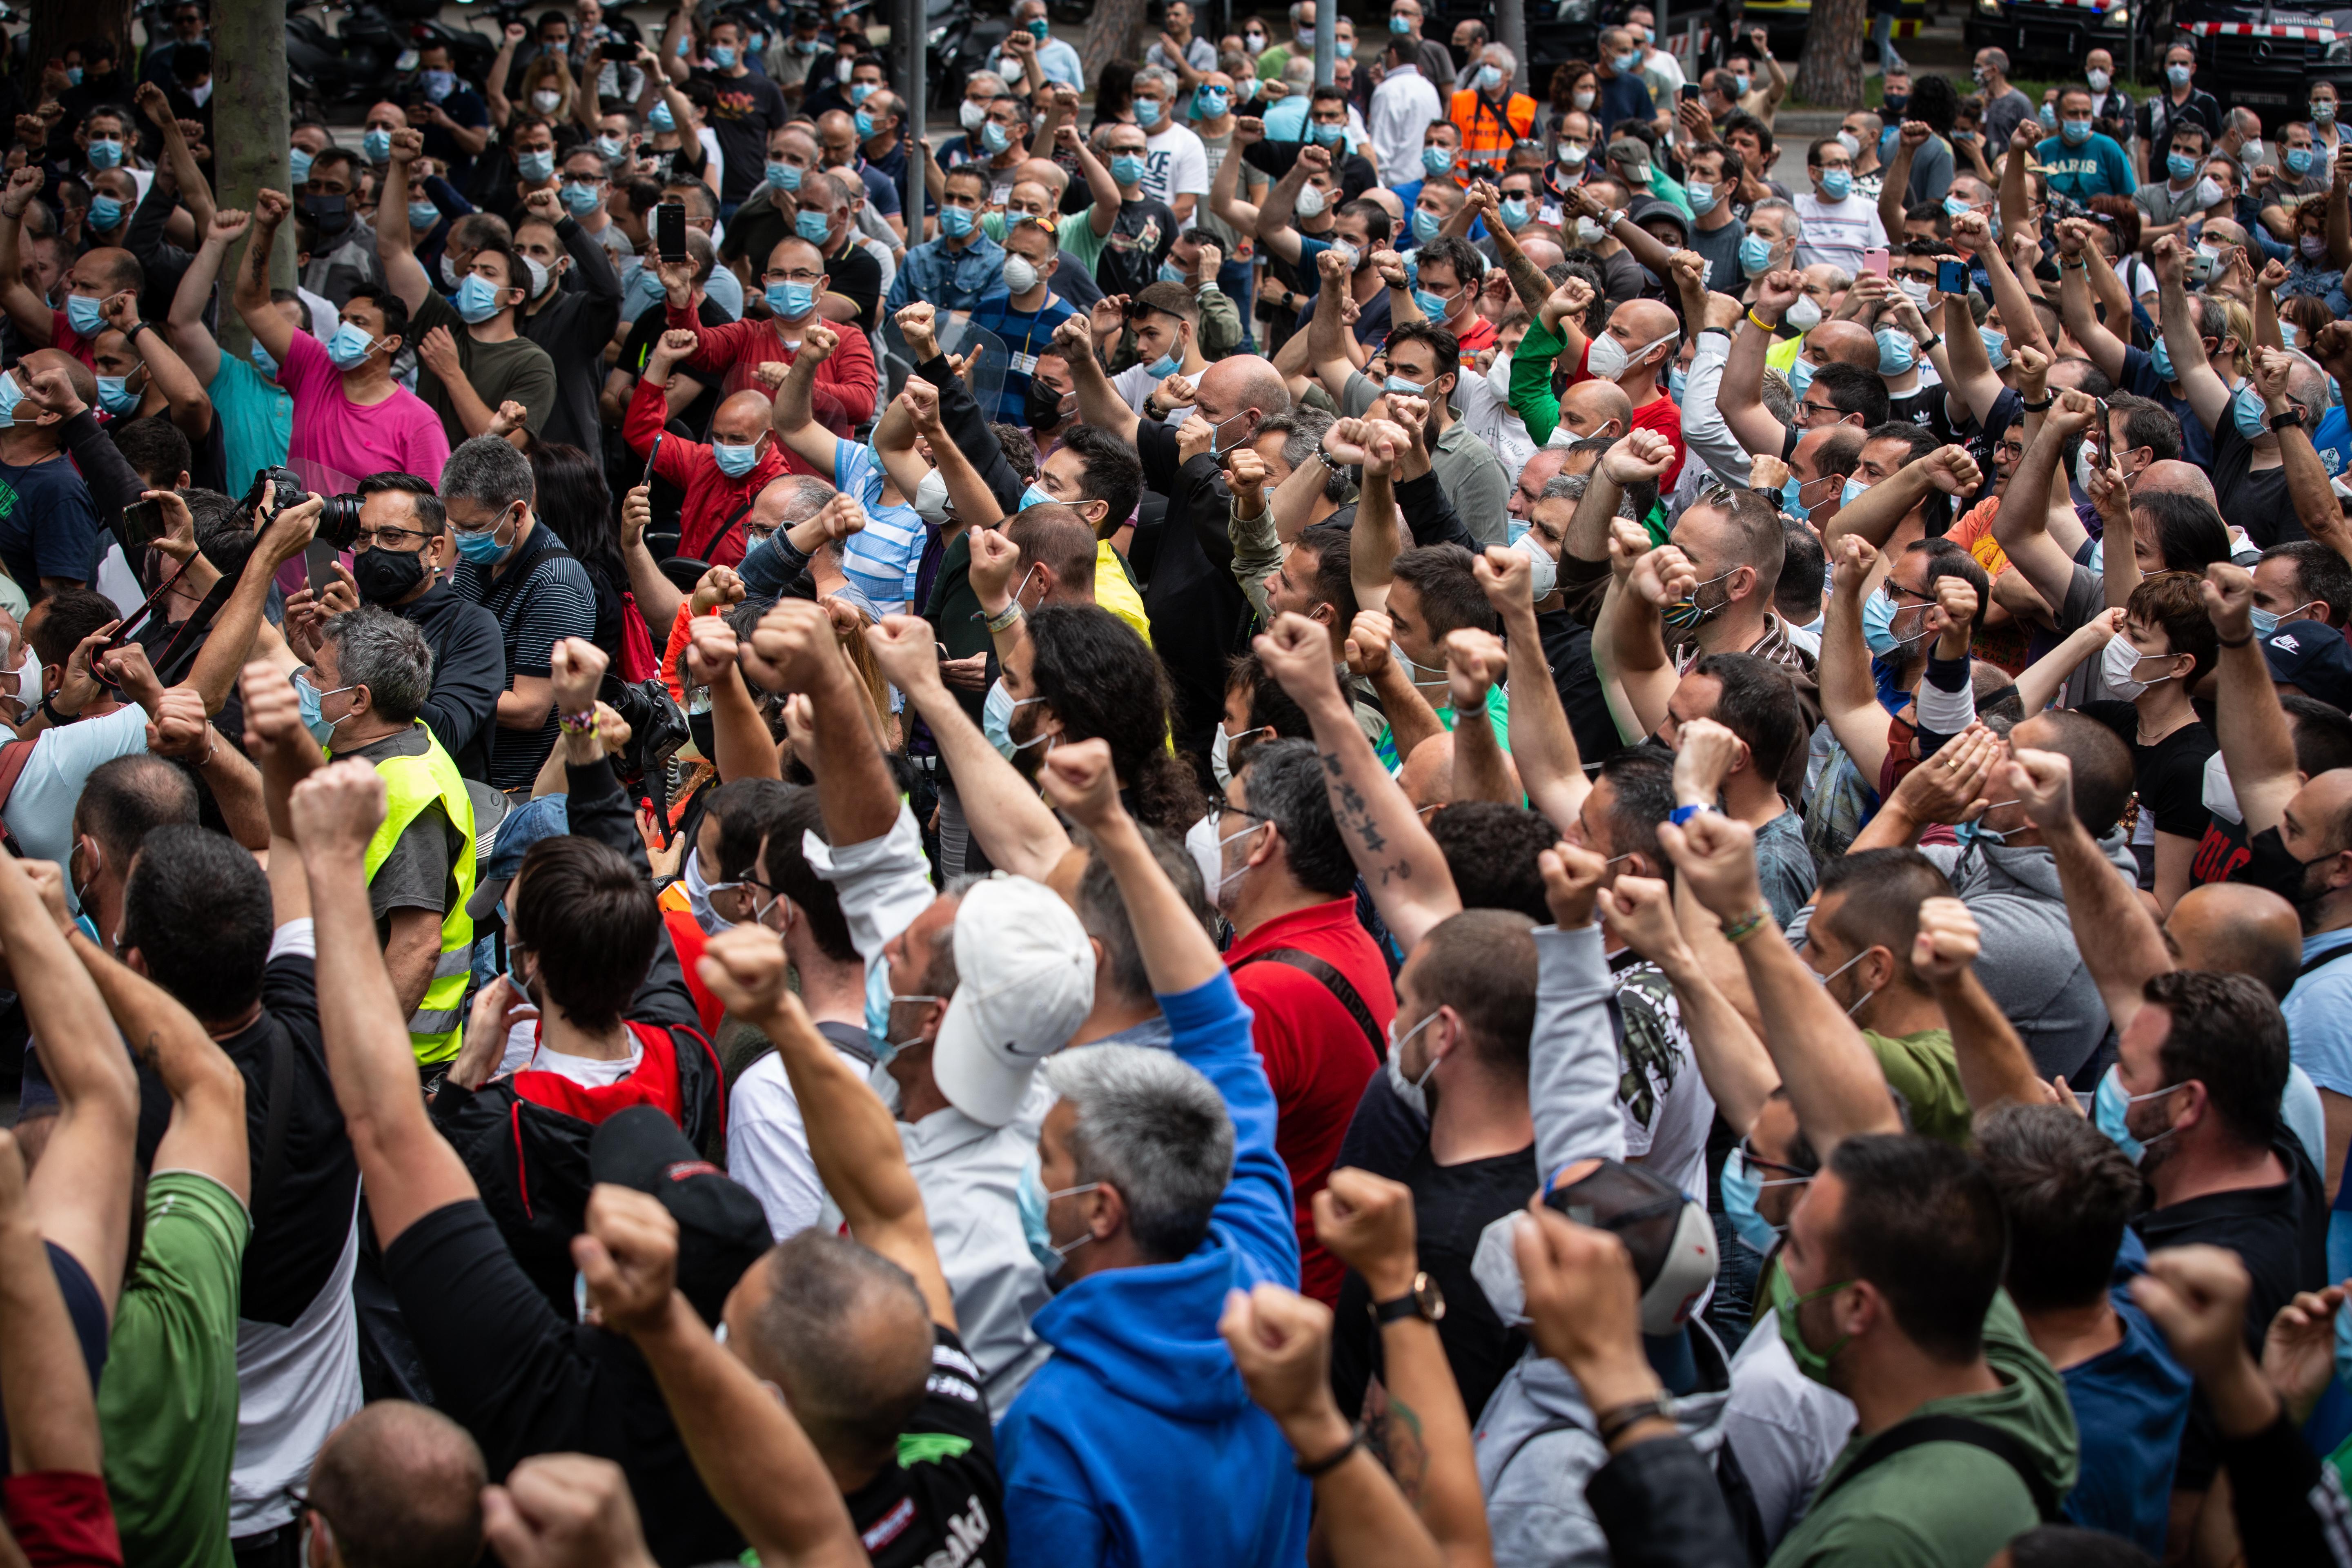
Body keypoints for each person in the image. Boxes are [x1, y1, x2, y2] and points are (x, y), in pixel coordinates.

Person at [994, 736, 1312, 1567]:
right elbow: (1215, 1025)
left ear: (1102, 1209)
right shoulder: (1263, 1271)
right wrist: (1110, 825)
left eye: (1051, 1159)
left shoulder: (1054, 1434)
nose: (1032, 1177)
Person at [284, 472, 507, 786]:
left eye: (392, 537)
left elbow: (446, 735)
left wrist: (364, 640)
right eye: (363, 538)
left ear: (434, 550)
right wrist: (311, 662)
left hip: (430, 808)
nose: (374, 550)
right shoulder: (350, 610)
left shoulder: (472, 626)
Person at [441, 434, 599, 793]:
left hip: (517, 789)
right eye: (455, 526)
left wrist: (436, 694)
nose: (462, 539)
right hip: (467, 770)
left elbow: (530, 709)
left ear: (517, 512)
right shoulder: (482, 557)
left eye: (473, 528)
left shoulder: (556, 584)